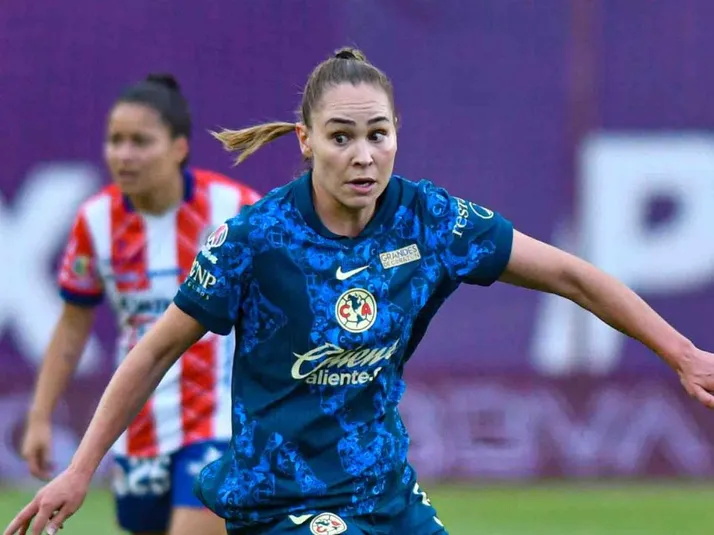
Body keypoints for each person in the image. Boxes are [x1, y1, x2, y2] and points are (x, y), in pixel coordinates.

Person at [7, 48, 714, 535]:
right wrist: (80, 469)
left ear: (397, 134)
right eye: (341, 137)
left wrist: (682, 353)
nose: (363, 155)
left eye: (377, 134)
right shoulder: (257, 237)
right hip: (279, 500)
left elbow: (572, 275)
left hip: (384, 491)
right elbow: (154, 349)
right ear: (306, 140)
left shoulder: (431, 219)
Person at [17, 73, 261, 535]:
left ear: (179, 148)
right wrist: (40, 416)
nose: (124, 154)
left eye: (140, 141)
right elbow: (72, 324)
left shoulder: (234, 209)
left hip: (221, 420)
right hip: (140, 424)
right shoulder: (96, 220)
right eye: (115, 140)